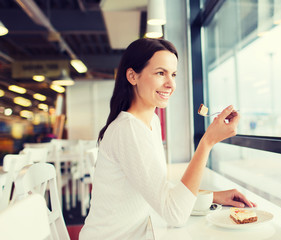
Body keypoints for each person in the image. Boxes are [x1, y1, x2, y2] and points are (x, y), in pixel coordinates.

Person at [79, 38, 256, 240]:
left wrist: (213, 196)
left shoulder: (151, 121)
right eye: (160, 73)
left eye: (173, 74)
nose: (170, 84)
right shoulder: (128, 130)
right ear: (132, 76)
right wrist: (207, 142)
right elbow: (175, 214)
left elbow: (158, 191)